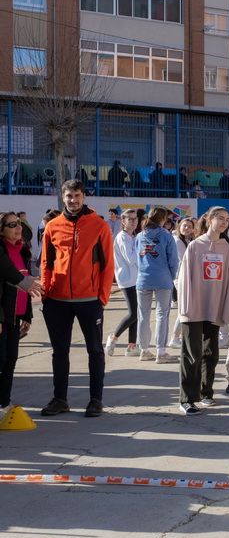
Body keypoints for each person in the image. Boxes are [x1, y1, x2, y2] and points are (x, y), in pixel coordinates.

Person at [40, 179, 114, 418]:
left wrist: (101, 296)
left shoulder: (99, 225)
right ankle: (60, 399)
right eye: (69, 196)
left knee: (95, 351)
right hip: (57, 300)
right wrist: (46, 292)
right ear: (63, 197)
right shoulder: (52, 226)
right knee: (59, 352)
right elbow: (46, 262)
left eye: (77, 196)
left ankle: (96, 400)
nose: (73, 200)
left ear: (84, 197)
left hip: (89, 300)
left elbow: (107, 265)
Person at [175, 207, 229, 415]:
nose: (224, 222)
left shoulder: (226, 249)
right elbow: (184, 279)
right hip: (194, 307)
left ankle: (206, 392)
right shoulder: (194, 246)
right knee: (192, 353)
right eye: (219, 218)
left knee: (211, 352)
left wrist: (226, 307)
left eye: (227, 219)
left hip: (214, 307)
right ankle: (187, 398)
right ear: (209, 219)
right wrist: (185, 307)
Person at [0, 212, 41, 419]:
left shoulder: (23, 250)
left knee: (11, 360)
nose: (18, 228)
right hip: (3, 317)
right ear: (1, 230)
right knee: (0, 360)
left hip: (16, 316)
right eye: (12, 224)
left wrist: (28, 314)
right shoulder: (1, 250)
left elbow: (26, 284)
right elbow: (11, 275)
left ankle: (4, 404)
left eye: (20, 224)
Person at [135, 207, 180, 364]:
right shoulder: (166, 236)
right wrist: (171, 277)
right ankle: (160, 351)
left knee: (143, 316)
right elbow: (174, 260)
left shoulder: (140, 236)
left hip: (143, 279)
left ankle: (144, 350)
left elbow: (136, 258)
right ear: (162, 219)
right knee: (162, 315)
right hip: (162, 279)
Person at [105, 209, 140, 359]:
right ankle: (113, 337)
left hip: (134, 278)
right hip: (127, 279)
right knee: (133, 313)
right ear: (123, 221)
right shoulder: (123, 237)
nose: (133, 221)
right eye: (129, 219)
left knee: (136, 314)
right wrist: (143, 250)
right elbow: (131, 259)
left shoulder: (131, 237)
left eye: (135, 219)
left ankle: (131, 346)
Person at [168, 217, 195, 348]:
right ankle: (175, 337)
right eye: (185, 226)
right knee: (184, 310)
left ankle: (177, 337)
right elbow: (187, 259)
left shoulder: (187, 240)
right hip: (181, 278)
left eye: (190, 226)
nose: (187, 228)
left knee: (185, 309)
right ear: (179, 227)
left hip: (185, 277)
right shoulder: (177, 241)